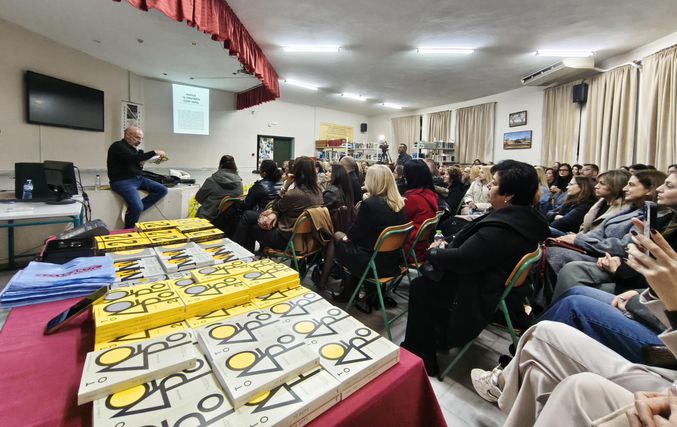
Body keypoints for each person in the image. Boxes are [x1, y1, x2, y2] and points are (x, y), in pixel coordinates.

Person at [470, 226, 677, 427]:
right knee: (569, 296)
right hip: (649, 303)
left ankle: (508, 374)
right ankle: (514, 368)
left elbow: (624, 251)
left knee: (571, 306)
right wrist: (643, 292)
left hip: (665, 347)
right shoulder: (651, 217)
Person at [400, 160, 549, 375]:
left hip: (479, 288)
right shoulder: (524, 218)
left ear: (509, 195)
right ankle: (437, 337)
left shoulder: (503, 229)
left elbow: (463, 259)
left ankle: (421, 355)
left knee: (421, 286)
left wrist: (434, 252)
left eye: (494, 184)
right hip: (491, 279)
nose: (488, 186)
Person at [550, 171, 677, 301]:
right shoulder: (634, 210)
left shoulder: (655, 218)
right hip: (620, 265)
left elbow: (629, 250)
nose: (659, 189)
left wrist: (619, 267)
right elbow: (599, 232)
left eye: (669, 186)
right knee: (553, 253)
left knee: (572, 278)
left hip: (644, 287)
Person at [315, 165, 407, 297]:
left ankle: (326, 283)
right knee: (344, 240)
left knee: (337, 236)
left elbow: (354, 234)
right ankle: (344, 287)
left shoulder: (370, 204)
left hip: (371, 263)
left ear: (373, 181)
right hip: (392, 262)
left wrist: (347, 237)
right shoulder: (400, 204)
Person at [232, 156, 322, 252]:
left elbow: (275, 206)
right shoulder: (318, 192)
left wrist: (285, 187)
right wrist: (275, 213)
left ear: (297, 173)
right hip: (306, 239)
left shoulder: (294, 194)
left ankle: (238, 252)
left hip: (284, 239)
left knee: (249, 226)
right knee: (251, 218)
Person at [107, 126, 168, 229]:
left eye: (141, 138)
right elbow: (133, 158)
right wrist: (154, 152)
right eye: (137, 137)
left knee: (162, 190)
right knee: (137, 207)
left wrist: (143, 162)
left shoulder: (133, 149)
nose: (140, 141)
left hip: (138, 179)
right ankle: (128, 230)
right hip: (122, 181)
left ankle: (133, 210)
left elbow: (134, 162)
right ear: (127, 135)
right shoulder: (117, 146)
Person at [402, 160, 439, 263]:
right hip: (423, 246)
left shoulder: (412, 198)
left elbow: (401, 219)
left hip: (410, 249)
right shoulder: (431, 194)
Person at [195, 155, 243, 221]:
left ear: (220, 165)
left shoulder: (211, 181)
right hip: (229, 221)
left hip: (207, 218)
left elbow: (198, 198)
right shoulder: (239, 183)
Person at [322, 163, 356, 232]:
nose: (326, 173)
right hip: (345, 227)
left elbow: (322, 213)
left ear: (337, 175)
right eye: (327, 171)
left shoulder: (331, 193)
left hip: (332, 228)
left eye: (330, 171)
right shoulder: (345, 188)